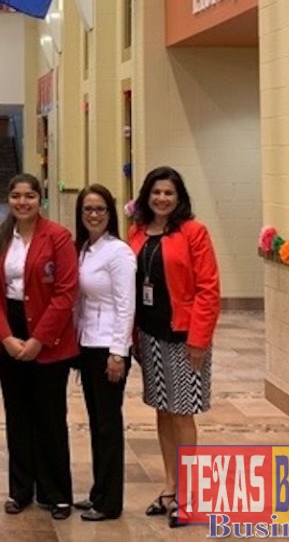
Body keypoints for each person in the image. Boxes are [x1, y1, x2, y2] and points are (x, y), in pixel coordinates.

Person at [0, 173, 78, 520]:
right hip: (10, 329)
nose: (22, 202)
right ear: (9, 200)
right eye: (16, 196)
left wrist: (39, 340)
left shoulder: (58, 237)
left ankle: (56, 493)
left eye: (30, 196)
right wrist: (5, 336)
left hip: (48, 334)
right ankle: (20, 489)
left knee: (50, 416)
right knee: (17, 414)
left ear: (40, 199)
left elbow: (66, 292)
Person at [127, 166, 220, 528]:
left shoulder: (194, 232)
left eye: (169, 193)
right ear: (146, 196)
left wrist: (199, 340)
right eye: (156, 192)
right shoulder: (137, 232)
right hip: (149, 335)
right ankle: (169, 486)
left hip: (183, 337)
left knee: (182, 414)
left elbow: (208, 289)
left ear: (179, 198)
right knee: (163, 411)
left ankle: (188, 494)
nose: (162, 198)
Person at [72, 184, 136, 521]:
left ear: (110, 213)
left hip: (108, 349)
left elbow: (126, 306)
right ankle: (99, 491)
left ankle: (110, 502)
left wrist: (117, 353)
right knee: (97, 424)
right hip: (88, 344)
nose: (94, 215)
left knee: (109, 425)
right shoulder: (86, 248)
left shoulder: (118, 252)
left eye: (100, 209)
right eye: (88, 209)